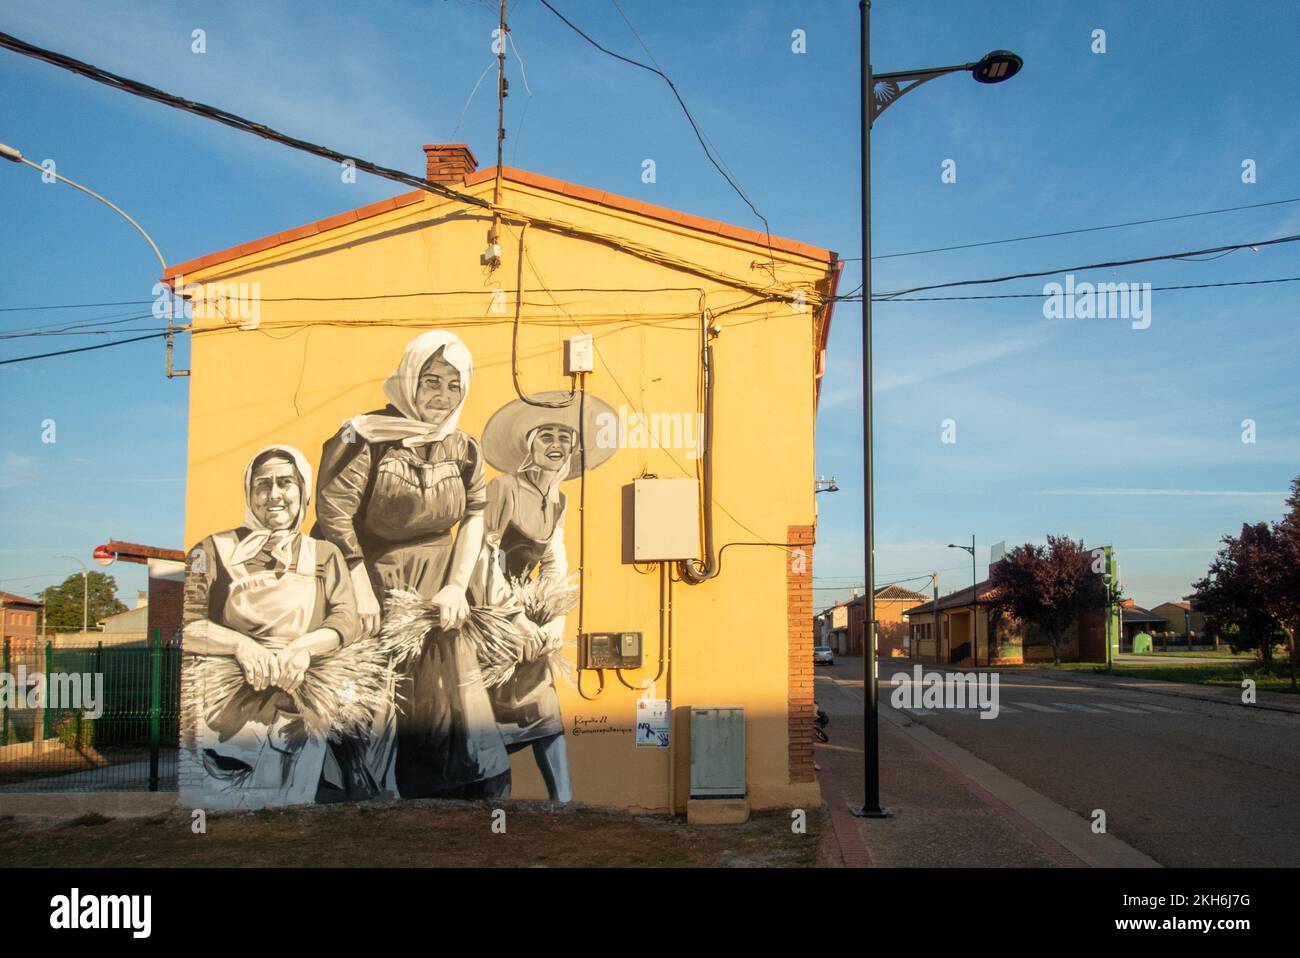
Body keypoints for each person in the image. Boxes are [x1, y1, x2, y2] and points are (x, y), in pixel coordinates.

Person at [313, 329, 511, 800]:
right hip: (370, 576)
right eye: (431, 381)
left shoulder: (464, 448)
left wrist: (457, 587)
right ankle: (367, 794)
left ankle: (437, 795)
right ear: (408, 379)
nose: (442, 396)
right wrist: (361, 591)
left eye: (454, 384)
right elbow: (333, 513)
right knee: (375, 694)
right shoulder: (364, 436)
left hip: (438, 585)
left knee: (444, 693)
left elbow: (475, 517)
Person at [182, 445, 359, 809]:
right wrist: (240, 647)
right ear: (249, 492)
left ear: (303, 492)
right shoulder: (211, 550)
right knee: (227, 810)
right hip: (228, 710)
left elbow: (346, 621)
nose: (274, 495)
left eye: (285, 483)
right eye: (263, 485)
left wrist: (304, 648)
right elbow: (188, 626)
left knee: (291, 808)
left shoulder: (324, 555)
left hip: (299, 706)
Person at [475, 389, 617, 801]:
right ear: (529, 444)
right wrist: (513, 619)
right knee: (489, 721)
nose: (556, 445)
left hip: (529, 622)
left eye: (564, 438)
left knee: (545, 709)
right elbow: (479, 557)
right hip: (486, 616)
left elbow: (555, 560)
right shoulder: (502, 488)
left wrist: (556, 619)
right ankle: (494, 807)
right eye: (547, 436)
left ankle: (564, 803)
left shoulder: (558, 500)